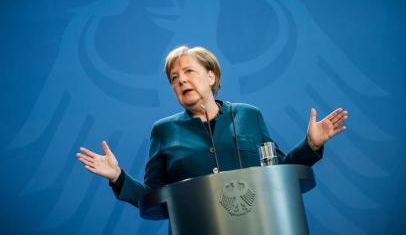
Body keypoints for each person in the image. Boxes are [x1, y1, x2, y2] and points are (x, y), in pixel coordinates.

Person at [76, 45, 348, 209]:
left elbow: (278, 173)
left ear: (211, 75)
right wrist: (118, 176)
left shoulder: (248, 115)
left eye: (188, 72)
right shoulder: (163, 131)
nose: (181, 81)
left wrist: (311, 144)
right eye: (173, 78)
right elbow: (153, 197)